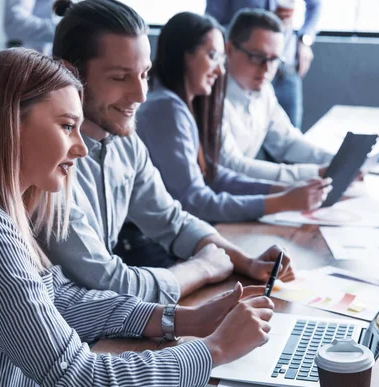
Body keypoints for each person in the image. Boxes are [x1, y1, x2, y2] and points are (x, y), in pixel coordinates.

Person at [0, 47, 278, 387]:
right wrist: (215, 350)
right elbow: (81, 381)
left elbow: (58, 300)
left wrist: (180, 318)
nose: (82, 148)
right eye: (67, 126)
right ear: (10, 126)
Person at [44, 0, 295, 306]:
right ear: (71, 74)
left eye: (144, 74)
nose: (140, 95)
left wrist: (246, 262)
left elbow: (172, 221)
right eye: (120, 77)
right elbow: (108, 283)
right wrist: (203, 267)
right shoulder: (47, 160)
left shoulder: (125, 142)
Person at [135, 12, 331, 226]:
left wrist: (284, 191)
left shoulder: (184, 104)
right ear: (184, 56)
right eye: (212, 56)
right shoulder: (167, 109)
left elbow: (214, 174)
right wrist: (280, 201)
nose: (220, 69)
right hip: (150, 242)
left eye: (274, 59)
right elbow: (195, 202)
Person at [220, 8, 333, 183]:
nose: (266, 69)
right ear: (229, 49)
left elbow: (288, 142)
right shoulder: (210, 96)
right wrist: (315, 173)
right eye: (257, 57)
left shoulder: (264, 91)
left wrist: (337, 161)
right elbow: (233, 166)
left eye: (274, 60)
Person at [205, 0, 322, 128]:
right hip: (245, 74)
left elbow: (315, 5)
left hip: (286, 68)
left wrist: (305, 39)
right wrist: (253, 29)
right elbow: (213, 25)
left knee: (288, 132)